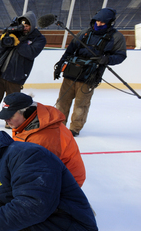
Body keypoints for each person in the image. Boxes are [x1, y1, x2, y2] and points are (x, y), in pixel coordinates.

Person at [54, 8, 127, 136]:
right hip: (72, 72)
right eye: (97, 21)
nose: (98, 24)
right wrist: (60, 64)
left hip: (90, 76)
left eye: (102, 23)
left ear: (110, 23)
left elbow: (121, 56)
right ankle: (59, 125)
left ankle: (74, 128)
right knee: (62, 101)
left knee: (81, 105)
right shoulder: (84, 33)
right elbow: (70, 51)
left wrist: (107, 59)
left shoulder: (116, 37)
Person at [0, 92, 86, 187]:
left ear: (25, 112)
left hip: (66, 182)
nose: (6, 120)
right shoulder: (26, 120)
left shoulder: (42, 138)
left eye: (10, 116)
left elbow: (41, 174)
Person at [0, 11, 46, 128]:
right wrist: (2, 42)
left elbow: (31, 53)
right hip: (1, 72)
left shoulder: (39, 38)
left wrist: (18, 43)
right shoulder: (15, 33)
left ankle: (9, 121)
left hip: (17, 75)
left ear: (32, 25)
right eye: (22, 25)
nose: (24, 28)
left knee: (12, 102)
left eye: (27, 25)